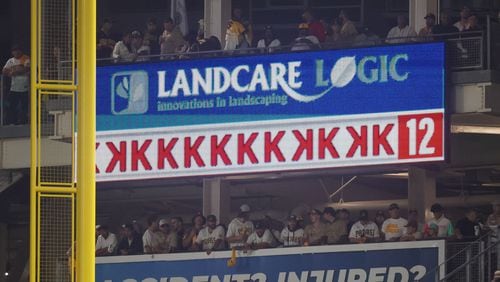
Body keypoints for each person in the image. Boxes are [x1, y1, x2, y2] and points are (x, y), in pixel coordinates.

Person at [2, 45, 30, 125]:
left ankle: (23, 122)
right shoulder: (10, 61)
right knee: (11, 105)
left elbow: (26, 69)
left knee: (24, 106)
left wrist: (15, 71)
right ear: (12, 52)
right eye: (14, 51)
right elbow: (4, 71)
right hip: (13, 88)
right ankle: (12, 121)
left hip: (25, 88)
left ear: (21, 51)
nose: (16, 52)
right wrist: (12, 71)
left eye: (18, 50)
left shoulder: (26, 58)